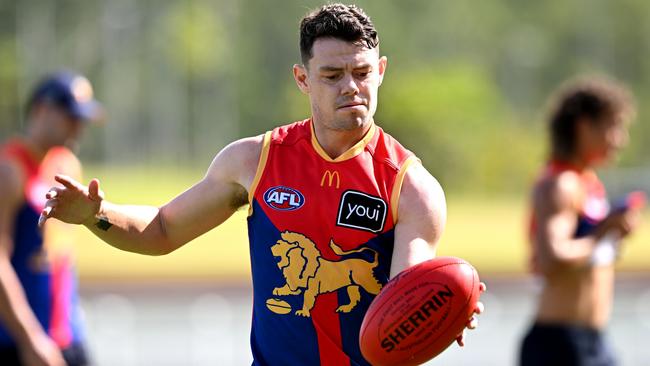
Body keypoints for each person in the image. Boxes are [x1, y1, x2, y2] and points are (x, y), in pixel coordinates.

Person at [39, 4, 484, 365]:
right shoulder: (255, 159)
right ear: (303, 78)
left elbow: (405, 297)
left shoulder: (411, 187)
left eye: (362, 72)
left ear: (381, 70)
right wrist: (96, 215)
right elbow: (162, 230)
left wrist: (445, 304)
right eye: (332, 75)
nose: (351, 87)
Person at [520, 77, 642, 366]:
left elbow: (586, 257)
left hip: (594, 341)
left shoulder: (587, 182)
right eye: (614, 127)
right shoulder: (560, 184)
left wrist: (614, 237)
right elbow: (551, 259)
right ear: (584, 126)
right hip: (560, 345)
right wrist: (604, 232)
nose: (620, 139)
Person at [0, 71, 103, 366]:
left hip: (68, 336)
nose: (79, 127)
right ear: (41, 110)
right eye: (71, 116)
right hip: (18, 342)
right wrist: (30, 338)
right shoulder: (10, 170)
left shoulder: (67, 165)